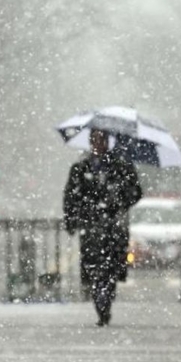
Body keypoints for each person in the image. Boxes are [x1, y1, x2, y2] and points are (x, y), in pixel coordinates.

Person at [63, 129, 142, 326]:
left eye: (102, 139)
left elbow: (135, 192)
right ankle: (101, 304)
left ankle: (105, 301)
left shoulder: (122, 167)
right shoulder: (80, 169)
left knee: (110, 269)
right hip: (91, 228)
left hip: (114, 228)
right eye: (95, 140)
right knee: (94, 268)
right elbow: (71, 197)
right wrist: (73, 219)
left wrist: (118, 200)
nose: (98, 144)